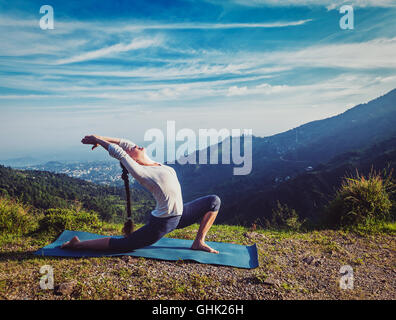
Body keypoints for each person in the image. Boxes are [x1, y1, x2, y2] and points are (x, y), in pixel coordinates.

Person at [61, 135, 221, 254]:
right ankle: (77, 244)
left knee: (213, 201)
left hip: (180, 215)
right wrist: (98, 139)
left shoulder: (154, 163)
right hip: (163, 222)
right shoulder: (142, 172)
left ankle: (198, 242)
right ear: (132, 160)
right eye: (133, 149)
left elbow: (123, 143)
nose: (135, 146)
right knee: (123, 245)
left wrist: (101, 137)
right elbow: (120, 152)